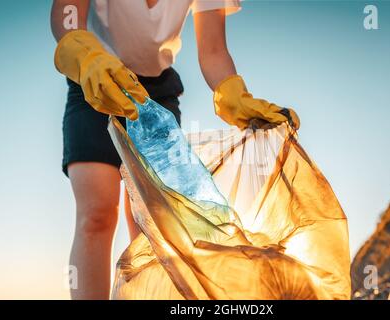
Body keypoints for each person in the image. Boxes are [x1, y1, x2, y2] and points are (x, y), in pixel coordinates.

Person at [51, 0, 299, 300]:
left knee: (152, 223)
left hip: (158, 93)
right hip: (93, 75)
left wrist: (234, 93)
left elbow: (213, 51)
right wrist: (82, 50)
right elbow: (66, 14)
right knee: (97, 213)